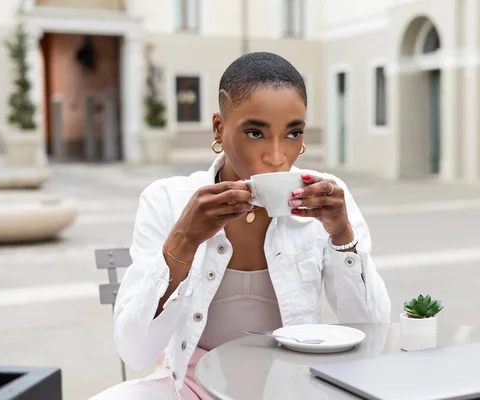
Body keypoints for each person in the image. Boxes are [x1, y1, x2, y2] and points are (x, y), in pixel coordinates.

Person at [90, 51, 391, 400]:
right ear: (219, 127)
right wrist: (184, 239)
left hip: (295, 388)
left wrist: (342, 237)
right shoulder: (167, 200)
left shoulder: (327, 199)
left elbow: (374, 334)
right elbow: (135, 351)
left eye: (293, 133)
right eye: (255, 132)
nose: (277, 156)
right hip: (194, 387)